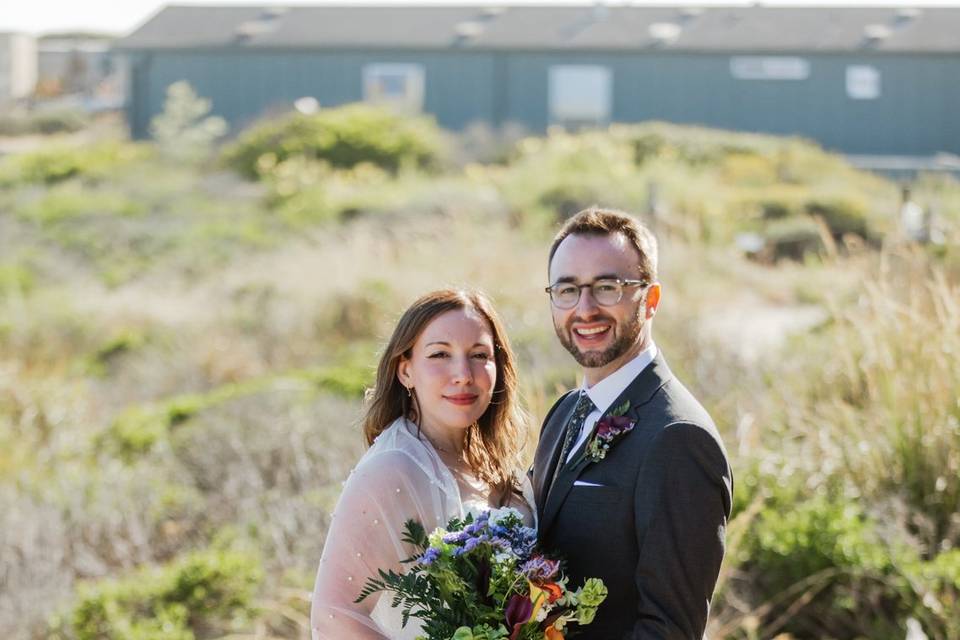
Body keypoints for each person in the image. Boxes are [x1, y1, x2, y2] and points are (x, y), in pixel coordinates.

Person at [531, 207, 733, 639]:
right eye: (567, 290)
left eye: (608, 287)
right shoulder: (565, 412)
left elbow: (669, 630)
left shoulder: (678, 438)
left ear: (651, 299)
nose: (585, 309)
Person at [311, 289, 533, 640]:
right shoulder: (394, 468)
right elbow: (333, 614)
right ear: (405, 371)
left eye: (479, 355)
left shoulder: (494, 461)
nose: (463, 374)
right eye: (440, 354)